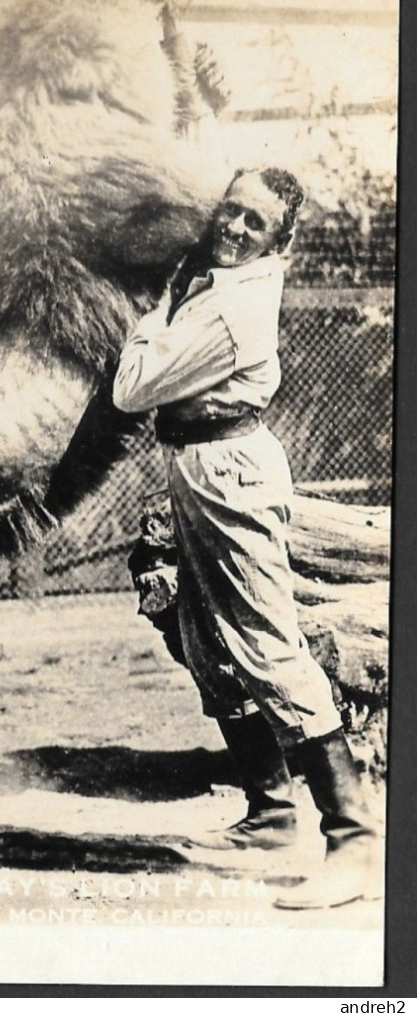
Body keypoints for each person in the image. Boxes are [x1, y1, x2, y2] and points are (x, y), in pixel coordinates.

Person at [113, 167, 380, 910]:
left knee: (268, 646)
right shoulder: (219, 279)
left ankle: (354, 841)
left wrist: (154, 302)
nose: (231, 228)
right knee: (205, 640)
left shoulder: (230, 306)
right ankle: (269, 812)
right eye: (227, 211)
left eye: (251, 223)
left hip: (229, 470)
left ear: (278, 240)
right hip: (196, 466)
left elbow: (131, 385)